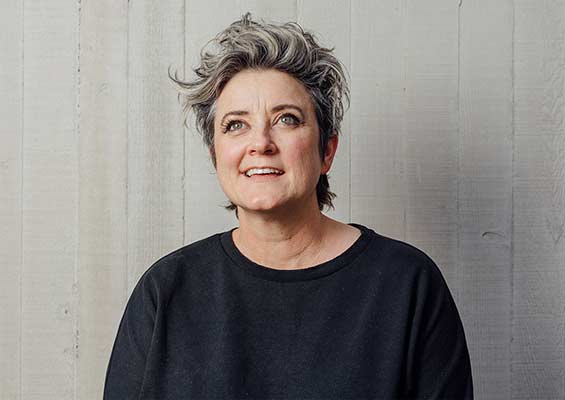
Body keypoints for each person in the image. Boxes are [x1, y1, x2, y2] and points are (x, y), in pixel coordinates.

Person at [103, 14, 473, 399]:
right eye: (235, 124)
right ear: (216, 155)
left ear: (326, 151)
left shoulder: (407, 285)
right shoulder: (166, 290)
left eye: (286, 119)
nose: (260, 143)